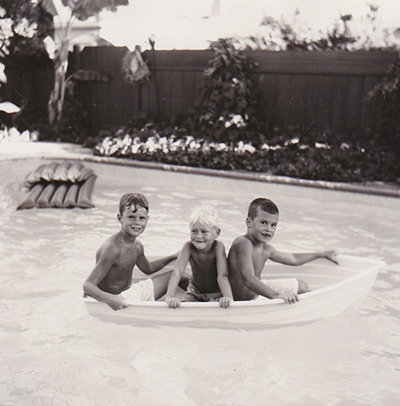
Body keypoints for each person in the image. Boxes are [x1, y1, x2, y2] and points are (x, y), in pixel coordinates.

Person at [83, 193, 188, 311]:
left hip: (132, 292)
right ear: (120, 218)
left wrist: (173, 256)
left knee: (180, 275)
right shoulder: (112, 248)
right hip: (120, 300)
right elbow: (88, 285)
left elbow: (148, 268)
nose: (137, 222)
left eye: (142, 218)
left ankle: (203, 298)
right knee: (178, 276)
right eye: (131, 217)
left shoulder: (137, 246)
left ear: (147, 219)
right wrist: (110, 299)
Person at [228, 198, 338, 304]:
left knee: (302, 286)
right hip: (240, 300)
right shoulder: (243, 243)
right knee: (287, 295)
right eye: (263, 223)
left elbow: (293, 259)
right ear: (249, 222)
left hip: (256, 293)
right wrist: (276, 295)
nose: (268, 229)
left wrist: (321, 254)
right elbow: (248, 278)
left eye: (273, 225)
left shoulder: (266, 249)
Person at [165, 205, 234, 309]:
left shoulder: (218, 247)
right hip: (194, 292)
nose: (198, 236)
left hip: (215, 293)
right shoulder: (188, 247)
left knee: (217, 311)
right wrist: (170, 296)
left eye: (204, 231)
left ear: (216, 233)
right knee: (183, 311)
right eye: (194, 231)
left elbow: (222, 275)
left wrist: (227, 296)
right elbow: (177, 271)